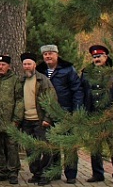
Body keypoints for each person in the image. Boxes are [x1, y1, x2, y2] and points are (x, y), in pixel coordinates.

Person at [81, 45, 113, 185]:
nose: (96, 59)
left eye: (99, 56)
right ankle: (97, 174)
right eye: (94, 57)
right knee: (95, 146)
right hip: (93, 115)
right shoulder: (86, 72)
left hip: (111, 116)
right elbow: (82, 91)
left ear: (106, 57)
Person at [36, 44, 84, 183]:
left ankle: (71, 174)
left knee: (69, 145)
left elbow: (77, 90)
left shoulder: (68, 69)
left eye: (50, 53)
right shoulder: (40, 70)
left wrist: (76, 111)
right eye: (45, 54)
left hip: (66, 112)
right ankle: (54, 172)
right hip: (48, 113)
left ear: (57, 54)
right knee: (52, 145)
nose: (48, 56)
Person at [20, 53, 58, 186]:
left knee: (45, 148)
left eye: (29, 64)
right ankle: (36, 173)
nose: (27, 66)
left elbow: (52, 100)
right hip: (26, 121)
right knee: (30, 149)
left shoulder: (43, 80)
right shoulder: (21, 81)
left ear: (34, 65)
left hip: (40, 120)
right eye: (25, 64)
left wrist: (48, 118)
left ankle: (45, 174)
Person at [0, 55, 23, 184]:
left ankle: (13, 172)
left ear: (8, 66)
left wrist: (16, 119)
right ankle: (0, 171)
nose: (1, 67)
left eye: (3, 65)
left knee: (12, 147)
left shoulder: (14, 80)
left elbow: (19, 100)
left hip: (10, 120)